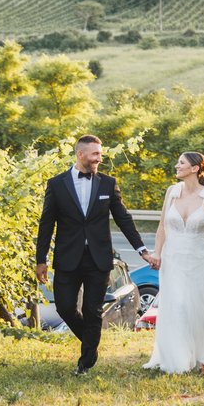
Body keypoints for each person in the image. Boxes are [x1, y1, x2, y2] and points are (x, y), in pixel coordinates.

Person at [35, 135, 155, 375]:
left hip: (99, 258)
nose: (100, 158)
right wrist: (41, 260)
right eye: (95, 154)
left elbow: (123, 218)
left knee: (93, 310)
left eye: (100, 154)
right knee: (65, 307)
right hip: (68, 257)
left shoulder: (107, 184)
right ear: (80, 155)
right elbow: (46, 223)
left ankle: (86, 361)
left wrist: (141, 249)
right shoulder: (57, 184)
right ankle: (91, 342)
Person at [143, 153, 204, 373]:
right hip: (173, 259)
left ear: (195, 168)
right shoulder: (172, 192)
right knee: (177, 305)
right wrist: (157, 254)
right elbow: (162, 226)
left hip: (200, 259)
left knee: (196, 306)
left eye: (181, 163)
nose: (176, 165)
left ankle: (201, 354)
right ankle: (177, 355)